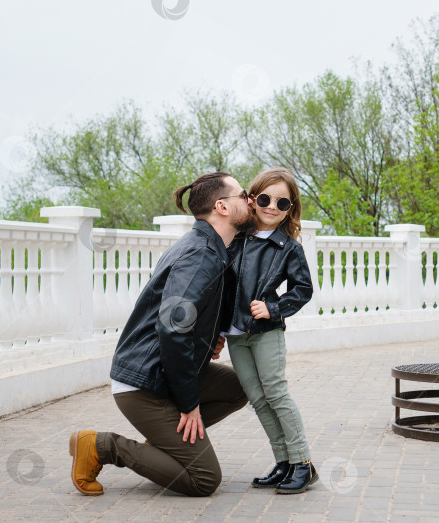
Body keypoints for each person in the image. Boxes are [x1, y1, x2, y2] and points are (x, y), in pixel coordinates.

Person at [68, 172, 254, 497]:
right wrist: (189, 404)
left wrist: (211, 337)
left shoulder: (208, 246)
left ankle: (164, 446)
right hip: (144, 384)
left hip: (164, 373)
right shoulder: (201, 255)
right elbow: (172, 326)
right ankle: (102, 446)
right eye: (244, 194)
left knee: (242, 387)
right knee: (204, 479)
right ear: (222, 207)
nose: (251, 200)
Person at [225, 167, 317, 494]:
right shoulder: (234, 238)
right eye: (265, 198)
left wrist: (273, 307)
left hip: (266, 332)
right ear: (252, 199)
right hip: (236, 334)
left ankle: (303, 463)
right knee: (258, 398)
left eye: (282, 203)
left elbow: (302, 289)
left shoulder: (288, 247)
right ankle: (284, 460)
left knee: (276, 393)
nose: (271, 207)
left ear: (290, 209)